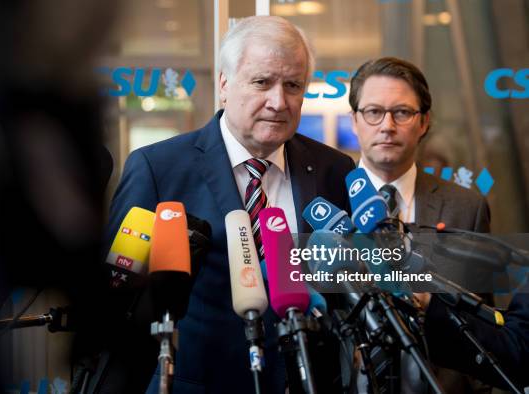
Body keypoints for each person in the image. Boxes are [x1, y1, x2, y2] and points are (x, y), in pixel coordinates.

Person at [106, 16, 356, 394]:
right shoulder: (157, 169)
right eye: (261, 82)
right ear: (224, 85)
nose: (278, 101)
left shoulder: (333, 170)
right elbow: (116, 298)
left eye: (293, 85)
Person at [349, 57, 494, 393]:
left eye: (402, 112)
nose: (387, 125)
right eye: (373, 112)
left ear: (424, 121)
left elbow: (484, 328)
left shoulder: (466, 209)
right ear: (354, 121)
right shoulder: (323, 202)